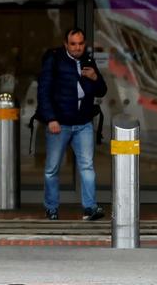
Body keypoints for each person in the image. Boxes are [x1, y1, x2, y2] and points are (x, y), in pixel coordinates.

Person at [38, 27, 108, 221]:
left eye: (80, 43)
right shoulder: (54, 60)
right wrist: (51, 118)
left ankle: (90, 208)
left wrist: (95, 78)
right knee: (52, 168)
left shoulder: (88, 60)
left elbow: (101, 91)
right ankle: (51, 208)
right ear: (65, 44)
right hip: (59, 123)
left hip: (83, 123)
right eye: (73, 44)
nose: (77, 47)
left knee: (87, 166)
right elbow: (43, 91)